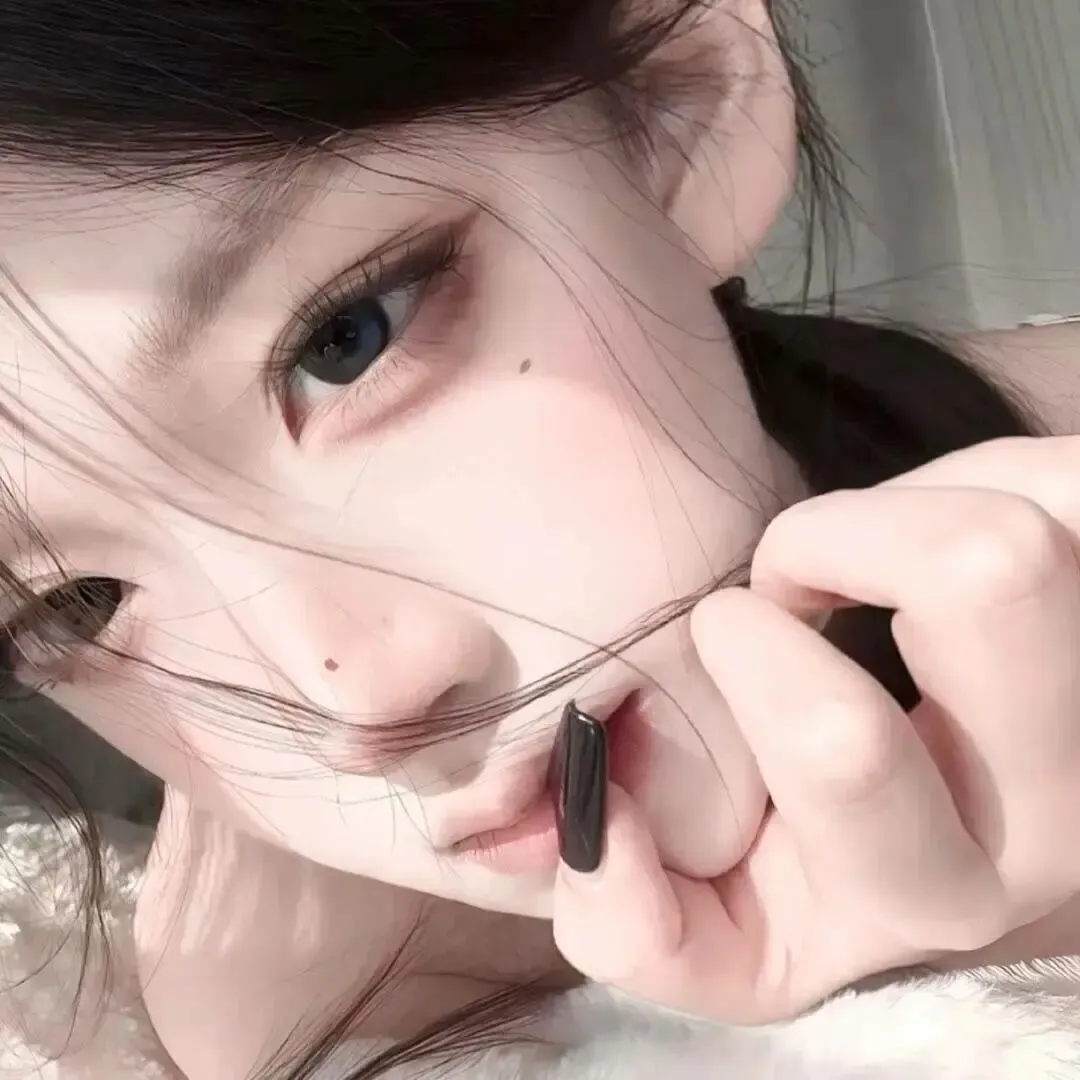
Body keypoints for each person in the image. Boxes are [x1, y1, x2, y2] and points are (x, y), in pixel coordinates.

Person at [3, 0, 1080, 1076]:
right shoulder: (303, 990)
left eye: (345, 341)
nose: (365, 704)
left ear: (679, 105)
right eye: (73, 601)